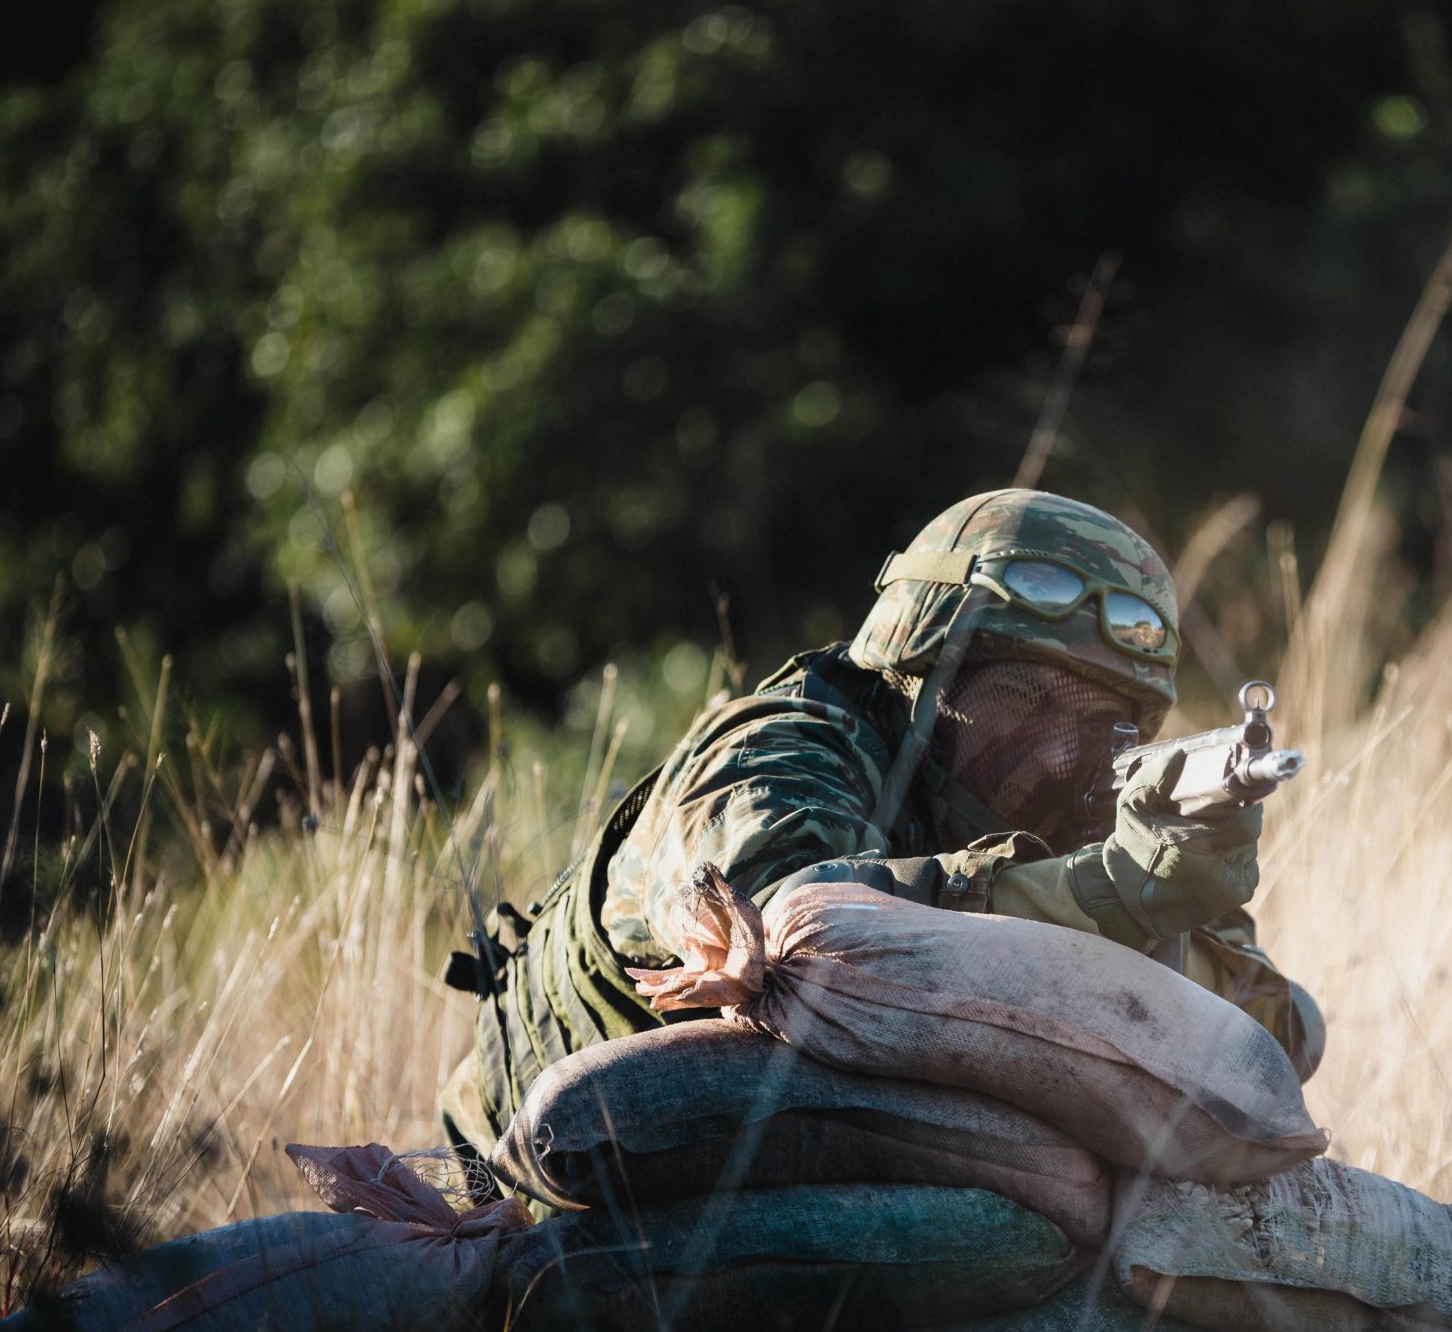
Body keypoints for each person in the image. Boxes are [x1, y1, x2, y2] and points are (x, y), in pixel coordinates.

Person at [442, 488, 1325, 1158]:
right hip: (539, 1172)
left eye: (1102, 727)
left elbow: (1275, 1038)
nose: (1060, 757)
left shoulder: (1083, 811)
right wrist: (1101, 898)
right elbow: (800, 939)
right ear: (921, 669)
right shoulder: (780, 749)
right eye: (1021, 697)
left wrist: (1174, 901)